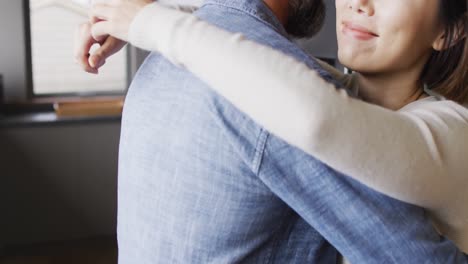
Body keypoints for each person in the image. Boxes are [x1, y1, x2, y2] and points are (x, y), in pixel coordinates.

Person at [76, 0, 467, 262]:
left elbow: (316, 115)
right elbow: (267, 71)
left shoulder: (453, 129)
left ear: (448, 32)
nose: (358, 2)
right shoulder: (330, 91)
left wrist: (152, 21)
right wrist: (160, 14)